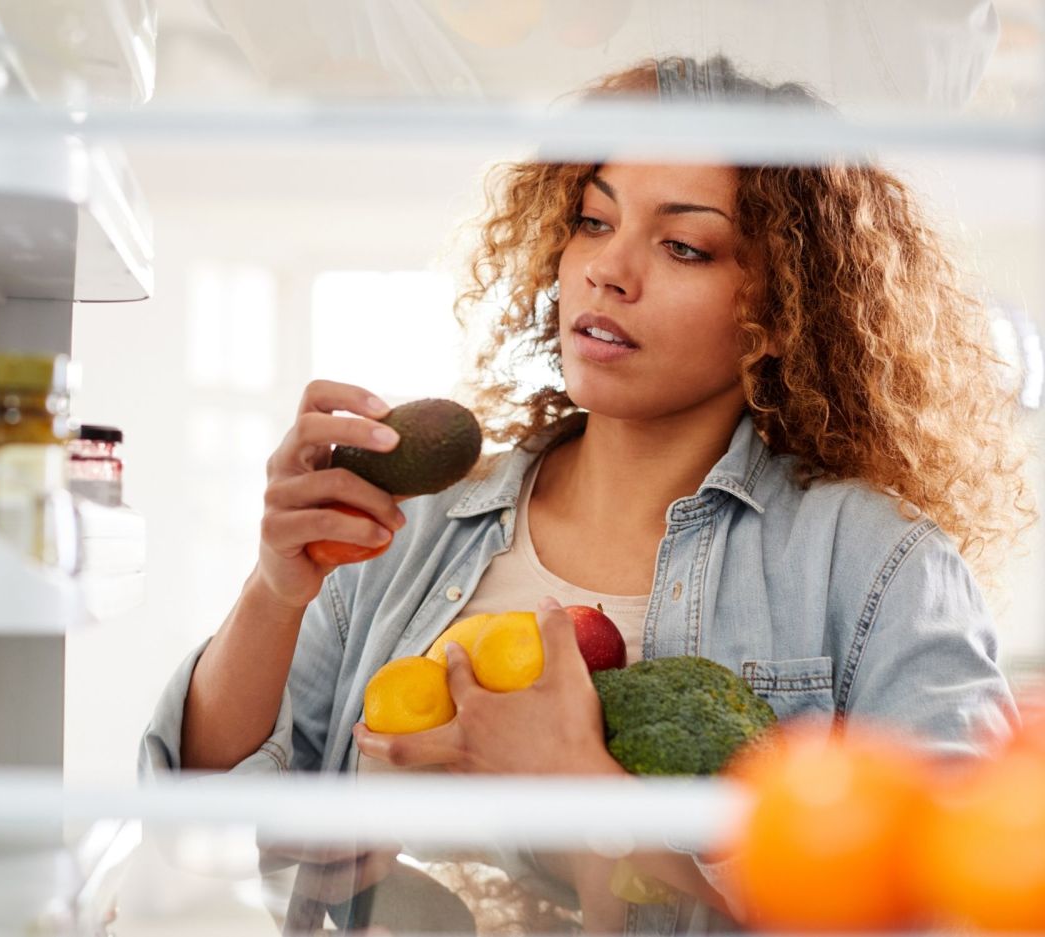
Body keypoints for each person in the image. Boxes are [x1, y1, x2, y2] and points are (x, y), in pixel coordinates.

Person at [141, 56, 1034, 935]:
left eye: (683, 244)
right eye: (592, 220)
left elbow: (955, 907)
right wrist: (275, 590)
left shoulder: (875, 565)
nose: (609, 269)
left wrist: (591, 793)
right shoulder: (409, 530)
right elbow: (196, 827)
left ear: (781, 308)